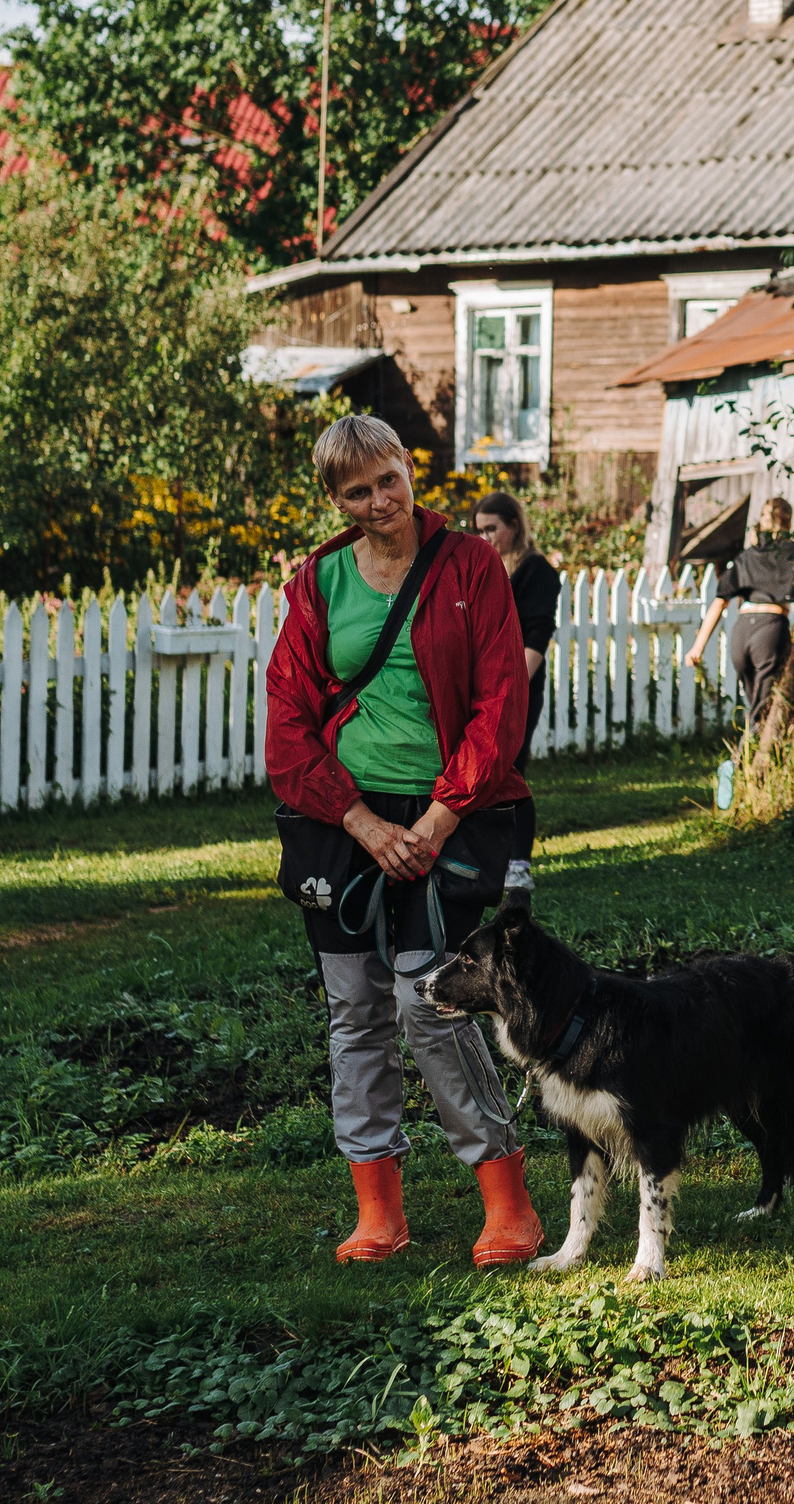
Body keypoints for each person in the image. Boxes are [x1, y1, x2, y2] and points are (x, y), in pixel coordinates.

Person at [265, 414, 545, 1269]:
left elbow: (500, 703)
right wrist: (358, 820)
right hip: (343, 822)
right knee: (354, 1012)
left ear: (407, 469)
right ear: (337, 501)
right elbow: (288, 719)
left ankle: (508, 1202)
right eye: (358, 491)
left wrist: (436, 820)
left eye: (389, 479)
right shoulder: (318, 582)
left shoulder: (469, 567)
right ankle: (377, 1211)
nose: (380, 500)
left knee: (435, 1005)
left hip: (445, 817)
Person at [684, 498, 794, 729]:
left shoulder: (746, 557)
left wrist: (697, 647)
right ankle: (747, 751)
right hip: (770, 631)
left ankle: (758, 749)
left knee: (757, 705)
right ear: (789, 522)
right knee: (762, 711)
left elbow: (720, 603)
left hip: (741, 634)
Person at [471, 491, 561, 775]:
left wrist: (510, 690)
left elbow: (538, 636)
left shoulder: (536, 569)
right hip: (485, 688)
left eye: (491, 529)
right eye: (480, 530)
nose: (485, 538)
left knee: (508, 774)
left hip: (516, 688)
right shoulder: (491, 567)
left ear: (514, 525)